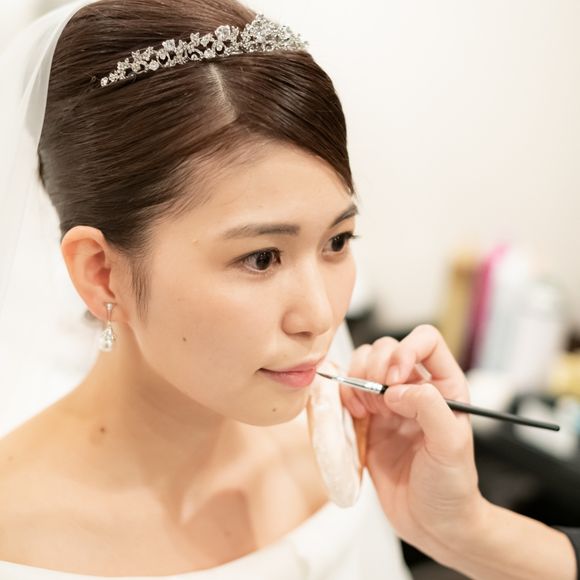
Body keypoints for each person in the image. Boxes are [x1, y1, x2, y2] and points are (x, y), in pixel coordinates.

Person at [0, 1, 577, 580]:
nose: (322, 316)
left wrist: (464, 528)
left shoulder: (342, 441)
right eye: (261, 258)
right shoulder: (15, 533)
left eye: (337, 241)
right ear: (102, 273)